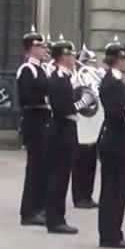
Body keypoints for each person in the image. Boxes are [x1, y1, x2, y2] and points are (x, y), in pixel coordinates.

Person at [96, 38, 125, 249]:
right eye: (124, 58)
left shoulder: (118, 81)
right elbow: (116, 112)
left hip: (118, 138)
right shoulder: (112, 83)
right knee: (114, 189)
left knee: (116, 189)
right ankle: (110, 235)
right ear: (116, 60)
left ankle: (113, 232)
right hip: (116, 139)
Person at [44, 36, 89, 236]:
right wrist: (84, 103)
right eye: (71, 54)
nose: (73, 58)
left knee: (61, 175)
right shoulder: (59, 79)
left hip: (64, 128)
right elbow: (64, 108)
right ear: (62, 57)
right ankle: (55, 219)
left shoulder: (63, 78)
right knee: (59, 176)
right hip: (62, 129)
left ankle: (57, 217)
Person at [16, 27, 51, 226]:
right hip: (33, 121)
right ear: (30, 49)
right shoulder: (27, 70)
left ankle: (40, 206)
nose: (43, 49)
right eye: (39, 46)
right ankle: (28, 211)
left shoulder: (42, 69)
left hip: (43, 121)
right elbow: (26, 97)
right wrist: (47, 97)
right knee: (34, 168)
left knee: (43, 168)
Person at [71, 45, 102, 209]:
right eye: (88, 62)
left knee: (91, 162)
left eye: (93, 62)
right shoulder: (76, 78)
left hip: (94, 123)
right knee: (79, 162)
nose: (91, 65)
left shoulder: (97, 77)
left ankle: (87, 195)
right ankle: (79, 196)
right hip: (81, 123)